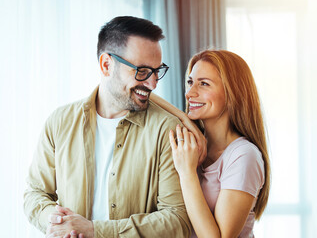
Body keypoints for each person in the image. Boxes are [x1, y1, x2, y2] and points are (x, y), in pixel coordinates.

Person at [23, 16, 194, 238]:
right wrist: (57, 221)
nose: (152, 84)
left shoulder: (167, 130)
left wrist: (96, 231)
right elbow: (35, 193)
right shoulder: (59, 122)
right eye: (142, 71)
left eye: (156, 71)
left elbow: (177, 220)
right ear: (106, 65)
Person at [153, 50, 271, 237]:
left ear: (233, 92)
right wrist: (185, 119)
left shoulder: (244, 155)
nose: (190, 93)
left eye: (204, 84)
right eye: (190, 82)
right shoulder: (192, 146)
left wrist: (187, 172)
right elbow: (147, 97)